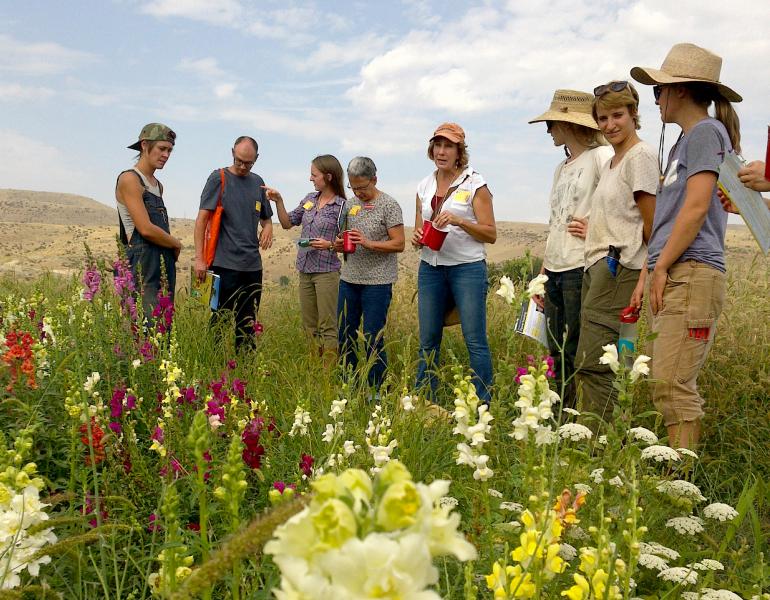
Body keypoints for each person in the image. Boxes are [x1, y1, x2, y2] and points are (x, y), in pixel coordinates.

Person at [631, 42, 743, 449]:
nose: (656, 98)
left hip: (691, 272)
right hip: (677, 271)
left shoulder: (705, 133)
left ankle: (678, 488)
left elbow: (695, 209)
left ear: (679, 90)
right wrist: (648, 275)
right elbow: (667, 221)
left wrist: (660, 269)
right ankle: (676, 482)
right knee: (667, 383)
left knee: (673, 384)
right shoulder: (686, 141)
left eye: (658, 90)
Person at [574, 81, 658, 421]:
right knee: (607, 361)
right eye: (603, 118)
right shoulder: (613, 162)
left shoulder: (641, 157)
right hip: (599, 265)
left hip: (621, 267)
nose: (610, 125)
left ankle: (601, 447)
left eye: (617, 115)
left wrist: (645, 275)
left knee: (594, 363)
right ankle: (606, 444)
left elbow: (653, 224)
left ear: (634, 114)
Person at [528, 91, 612, 411]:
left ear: (568, 124)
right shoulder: (562, 167)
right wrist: (542, 275)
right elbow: (556, 222)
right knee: (556, 350)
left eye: (551, 123)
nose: (549, 129)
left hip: (582, 265)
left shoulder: (601, 157)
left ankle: (583, 417)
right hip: (557, 268)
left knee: (579, 349)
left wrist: (597, 229)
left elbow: (625, 203)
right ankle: (562, 417)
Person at [412, 123, 496, 403]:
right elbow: (419, 230)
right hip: (430, 268)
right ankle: (425, 402)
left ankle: (482, 404)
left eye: (448, 146)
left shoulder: (475, 183)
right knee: (428, 341)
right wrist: (416, 238)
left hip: (467, 268)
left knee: (474, 340)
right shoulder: (423, 186)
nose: (441, 151)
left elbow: (490, 233)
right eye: (437, 145)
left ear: (460, 151)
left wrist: (459, 220)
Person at [263, 155, 347, 364]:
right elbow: (286, 223)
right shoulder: (310, 199)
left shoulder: (342, 207)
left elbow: (347, 242)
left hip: (327, 271)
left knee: (327, 325)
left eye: (314, 174)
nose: (310, 179)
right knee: (309, 326)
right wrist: (279, 201)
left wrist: (329, 245)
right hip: (305, 269)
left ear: (328, 177)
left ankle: (328, 375)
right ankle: (314, 369)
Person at [194, 136, 273, 351]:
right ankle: (215, 369)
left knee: (248, 323)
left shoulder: (258, 182)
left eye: (249, 163)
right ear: (232, 153)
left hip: (252, 267)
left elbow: (266, 217)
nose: (243, 166)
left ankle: (244, 372)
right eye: (239, 160)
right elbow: (201, 220)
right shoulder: (218, 178)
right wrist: (200, 259)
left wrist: (268, 226)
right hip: (224, 265)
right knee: (220, 320)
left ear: (256, 158)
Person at [336, 156, 404, 394]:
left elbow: (399, 244)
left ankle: (377, 390)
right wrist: (338, 244)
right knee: (345, 335)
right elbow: (345, 238)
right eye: (353, 188)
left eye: (362, 187)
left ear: (374, 179)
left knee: (373, 337)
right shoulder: (350, 205)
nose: (358, 193)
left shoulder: (389, 205)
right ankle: (349, 387)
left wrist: (368, 243)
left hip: (377, 282)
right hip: (349, 279)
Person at [116, 123, 182, 319]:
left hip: (162, 265)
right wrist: (175, 244)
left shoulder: (158, 186)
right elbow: (145, 229)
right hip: (141, 266)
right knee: (145, 331)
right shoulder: (130, 179)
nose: (166, 155)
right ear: (145, 145)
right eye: (162, 149)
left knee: (164, 331)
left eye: (170, 150)